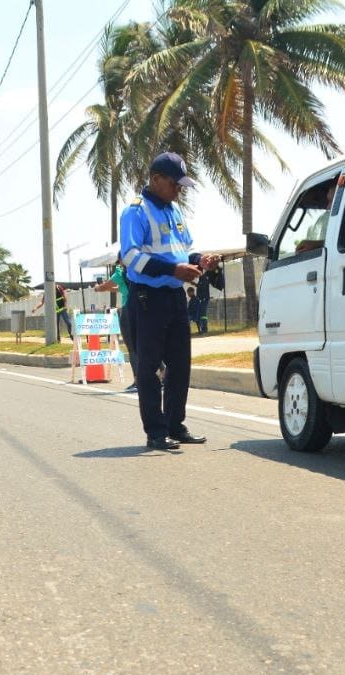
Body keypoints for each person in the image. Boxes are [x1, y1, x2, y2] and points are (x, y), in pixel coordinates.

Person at [120, 151, 221, 451]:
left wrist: (199, 260)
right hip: (147, 298)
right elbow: (130, 257)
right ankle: (155, 431)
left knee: (180, 364)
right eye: (175, 184)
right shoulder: (135, 212)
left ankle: (175, 424)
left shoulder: (175, 212)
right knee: (150, 368)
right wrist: (173, 269)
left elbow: (181, 251)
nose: (179, 190)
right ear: (155, 179)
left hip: (175, 296)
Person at [93, 257, 137, 392]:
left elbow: (107, 285)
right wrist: (109, 289)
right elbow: (122, 287)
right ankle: (163, 373)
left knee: (132, 347)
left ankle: (138, 380)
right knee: (145, 344)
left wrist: (98, 288)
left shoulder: (120, 271)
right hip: (141, 309)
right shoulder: (136, 269)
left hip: (128, 309)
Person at [194, 262, 224, 334]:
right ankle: (202, 329)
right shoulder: (202, 277)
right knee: (201, 314)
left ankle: (204, 329)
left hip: (204, 299)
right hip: (201, 299)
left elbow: (203, 287)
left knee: (203, 314)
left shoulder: (204, 277)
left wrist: (196, 285)